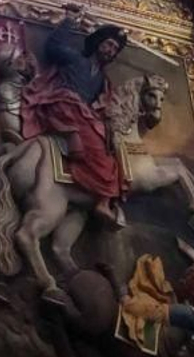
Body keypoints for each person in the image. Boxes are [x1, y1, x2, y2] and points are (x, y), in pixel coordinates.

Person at [21, 16, 130, 224]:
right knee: (98, 149)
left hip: (81, 112)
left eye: (115, 49)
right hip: (62, 106)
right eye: (108, 44)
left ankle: (103, 200)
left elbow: (101, 103)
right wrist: (70, 21)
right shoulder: (75, 58)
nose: (110, 51)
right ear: (98, 42)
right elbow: (52, 46)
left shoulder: (101, 79)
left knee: (108, 146)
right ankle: (102, 201)